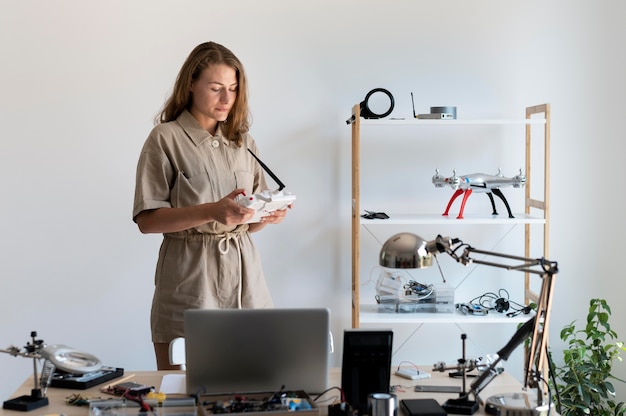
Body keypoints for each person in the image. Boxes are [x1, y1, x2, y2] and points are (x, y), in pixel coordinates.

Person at [132, 41, 291, 370]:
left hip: (247, 283)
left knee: (255, 385)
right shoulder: (165, 139)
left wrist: (267, 215)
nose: (226, 99)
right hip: (191, 279)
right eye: (216, 88)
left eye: (233, 89)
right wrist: (210, 211)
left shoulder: (243, 142)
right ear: (191, 84)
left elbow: (245, 221)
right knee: (182, 389)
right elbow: (147, 220)